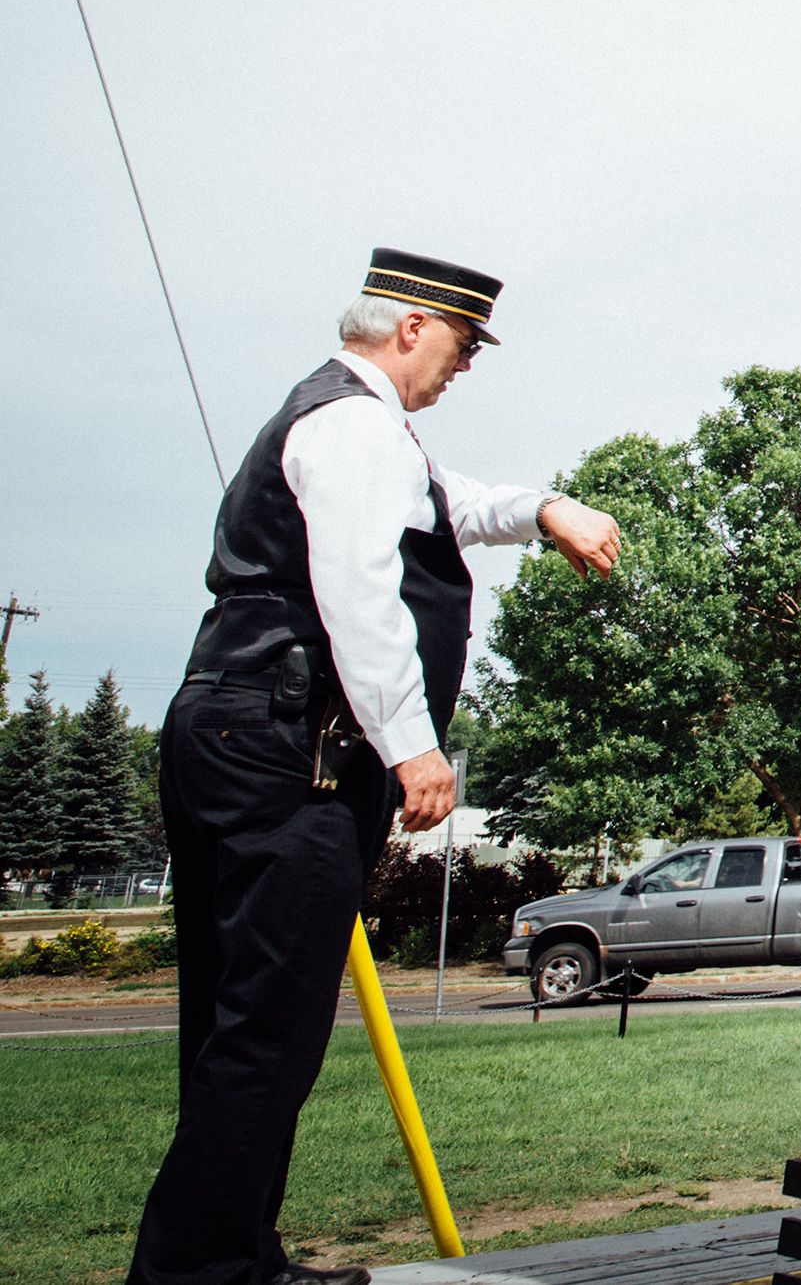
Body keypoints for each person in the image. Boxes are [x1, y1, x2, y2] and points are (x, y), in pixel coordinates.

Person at [133, 252, 622, 1285]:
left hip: (235, 729)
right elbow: (359, 590)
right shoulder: (353, 426)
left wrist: (545, 509)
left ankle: (235, 1255)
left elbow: (454, 500)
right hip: (291, 748)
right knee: (269, 1030)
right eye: (460, 343)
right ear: (409, 327)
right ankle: (198, 1272)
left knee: (237, 1025)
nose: (463, 367)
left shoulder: (354, 423)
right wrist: (413, 745)